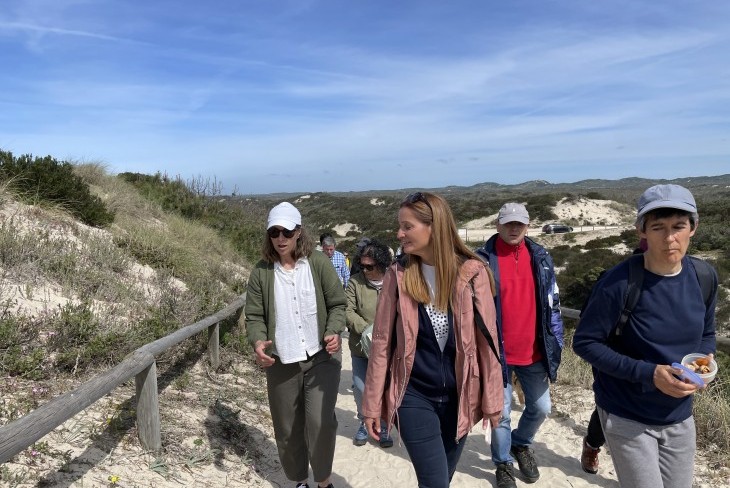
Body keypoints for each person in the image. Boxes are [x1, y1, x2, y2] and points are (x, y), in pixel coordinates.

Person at [573, 184, 718, 488]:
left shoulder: (704, 277)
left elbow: (706, 331)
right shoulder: (618, 283)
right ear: (642, 230)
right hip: (627, 414)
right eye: (658, 227)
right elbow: (585, 342)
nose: (669, 238)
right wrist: (649, 373)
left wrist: (704, 364)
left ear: (693, 228)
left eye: (678, 226)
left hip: (679, 414)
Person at [362, 191, 504, 488]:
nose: (399, 234)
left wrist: (493, 404)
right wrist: (372, 405)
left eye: (407, 226)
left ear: (434, 226)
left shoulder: (474, 272)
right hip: (414, 395)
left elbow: (488, 345)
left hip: (461, 398)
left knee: (442, 479)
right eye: (400, 226)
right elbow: (381, 344)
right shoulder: (398, 275)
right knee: (436, 483)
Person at [245, 202, 346, 488]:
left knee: (320, 423)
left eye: (287, 231)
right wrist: (257, 342)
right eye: (274, 232)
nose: (281, 238)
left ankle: (324, 481)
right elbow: (253, 316)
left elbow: (338, 304)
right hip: (281, 361)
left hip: (320, 358)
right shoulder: (261, 271)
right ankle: (300, 480)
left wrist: (333, 330)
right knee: (287, 427)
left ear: (299, 231)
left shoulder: (318, 263)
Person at [475, 202, 564, 488]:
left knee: (541, 408)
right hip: (496, 354)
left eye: (519, 224)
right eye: (508, 223)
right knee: (500, 414)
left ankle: (521, 443)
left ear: (527, 226)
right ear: (498, 225)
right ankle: (503, 463)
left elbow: (553, 304)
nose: (514, 228)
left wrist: (557, 342)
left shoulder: (541, 257)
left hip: (534, 352)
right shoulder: (481, 260)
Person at [580, 236, 649, 474]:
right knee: (607, 406)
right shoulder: (615, 280)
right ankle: (592, 445)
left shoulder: (683, 280)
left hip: (659, 368)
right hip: (613, 360)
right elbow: (588, 330)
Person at [345, 239, 394, 448]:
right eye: (362, 265)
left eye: (369, 266)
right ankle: (364, 422)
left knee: (384, 388)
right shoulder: (355, 282)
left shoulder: (396, 282)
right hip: (360, 348)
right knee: (360, 387)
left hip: (389, 350)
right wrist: (366, 329)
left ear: (382, 264)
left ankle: (384, 426)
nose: (364, 270)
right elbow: (347, 310)